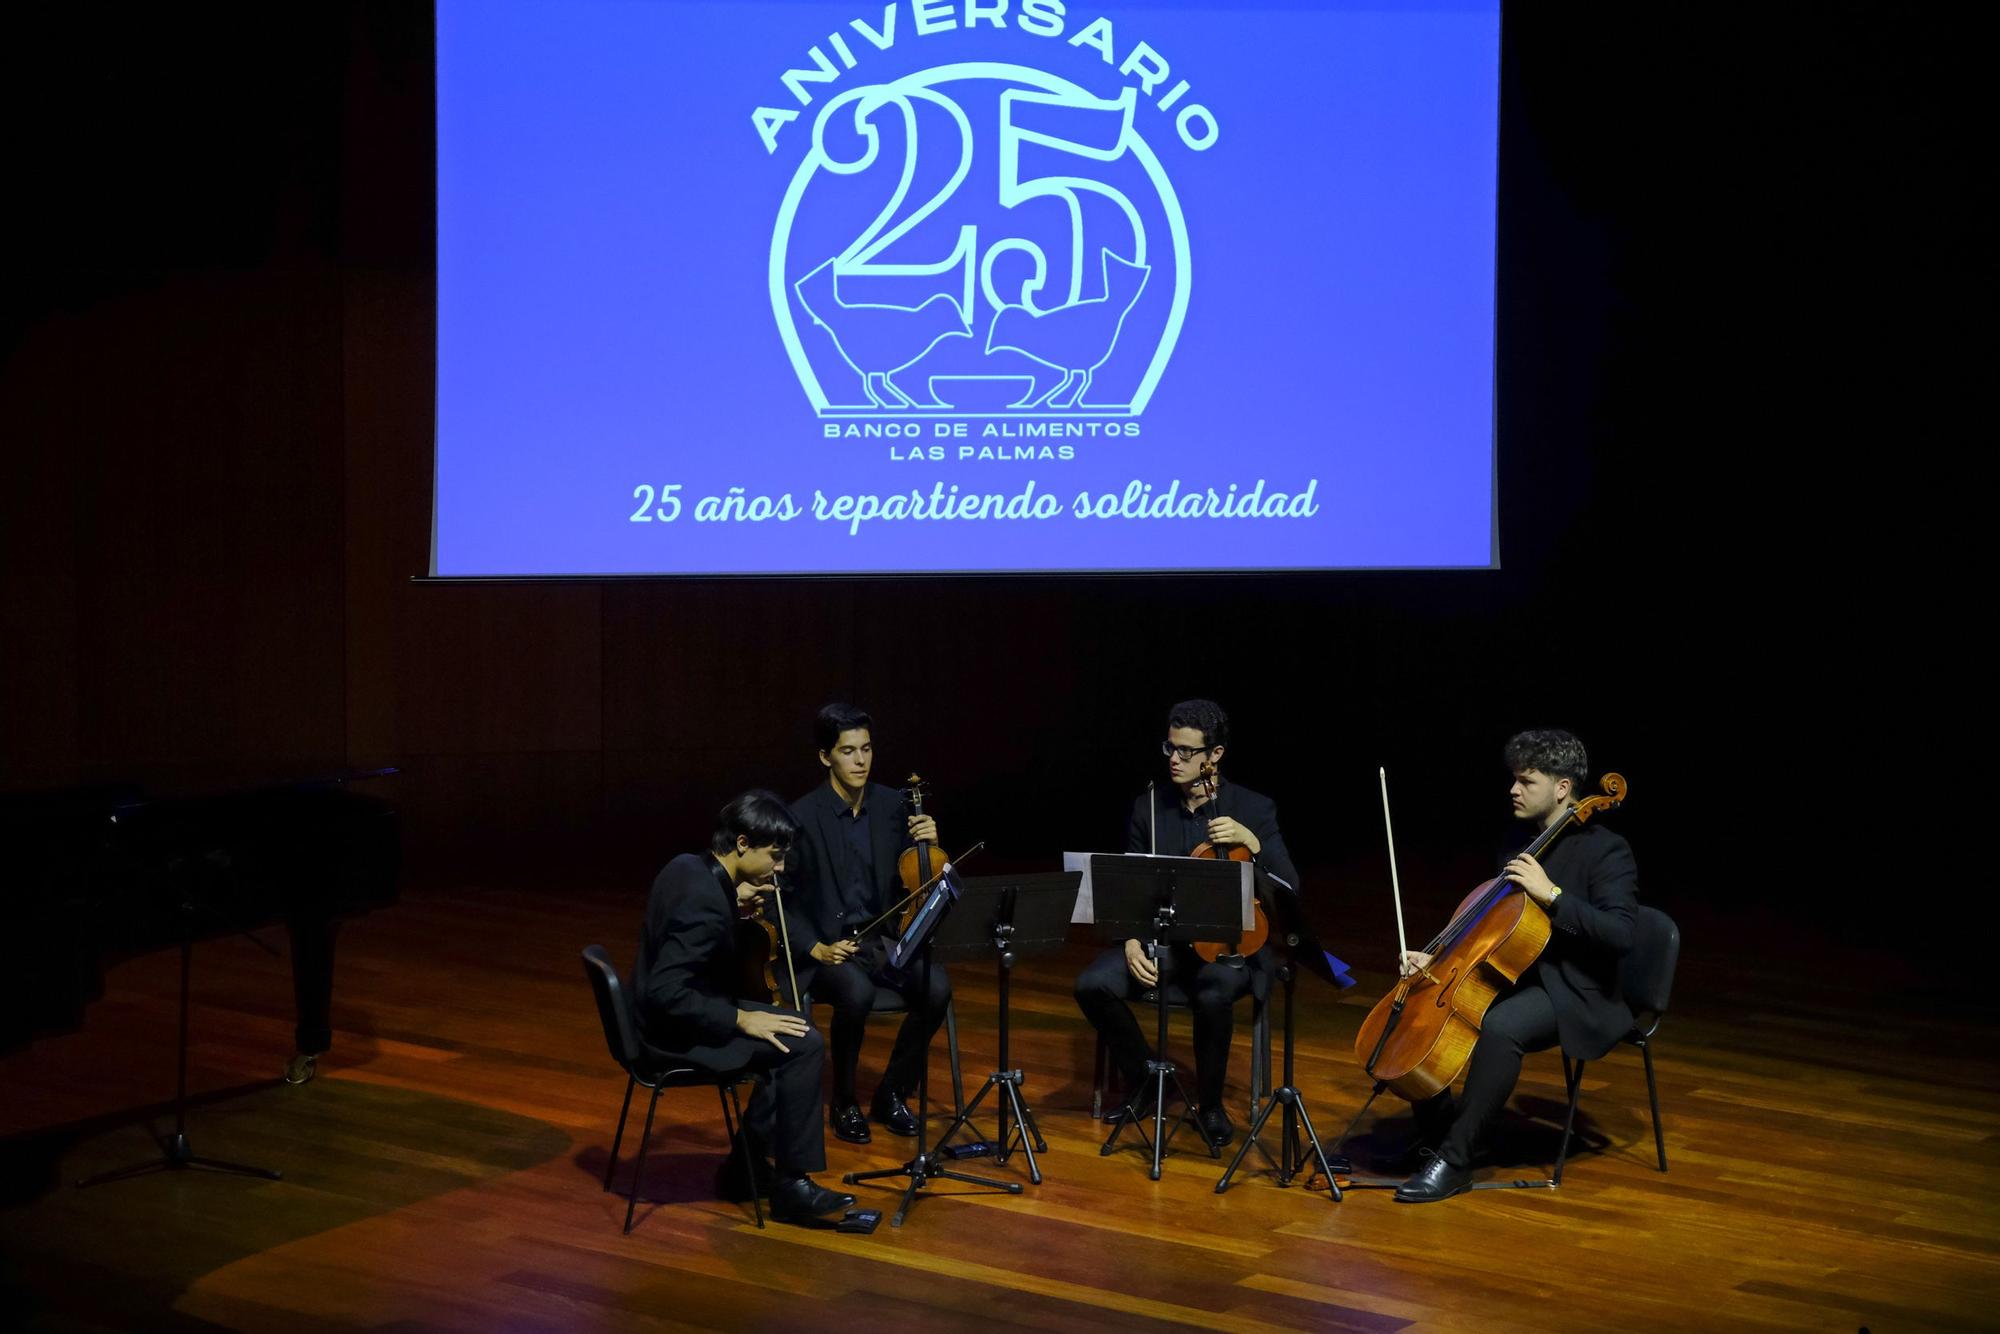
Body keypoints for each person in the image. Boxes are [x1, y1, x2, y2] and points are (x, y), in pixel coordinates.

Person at [1393, 728, 1638, 1203]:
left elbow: (1621, 935)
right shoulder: (1517, 840)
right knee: (1426, 1000)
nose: (1513, 789)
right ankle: (1442, 1132)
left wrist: (1553, 896)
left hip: (1576, 987)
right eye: (1514, 779)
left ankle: (1456, 1161)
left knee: (1501, 1026)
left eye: (1527, 781)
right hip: (1516, 970)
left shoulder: (1606, 850)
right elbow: (1490, 920)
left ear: (1563, 787)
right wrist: (1438, 956)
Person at [1073, 698, 1301, 1148]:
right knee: (1092, 984)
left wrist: (1252, 843)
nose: (1174, 759)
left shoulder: (1254, 809)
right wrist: (1132, 938)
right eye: (1170, 748)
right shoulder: (1150, 807)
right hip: (1168, 944)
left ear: (1214, 755)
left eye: (1186, 751)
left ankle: (1210, 1104)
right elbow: (1130, 884)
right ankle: (1145, 1080)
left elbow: (1289, 889)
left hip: (1232, 949)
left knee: (1213, 992)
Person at [634, 790, 854, 1224]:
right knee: (804, 1042)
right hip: (670, 1034)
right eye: (774, 856)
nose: (780, 868)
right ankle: (791, 1187)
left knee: (791, 1028)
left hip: (668, 1015)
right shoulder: (705, 904)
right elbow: (666, 991)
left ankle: (745, 1168)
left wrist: (732, 911)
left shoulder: (687, 866)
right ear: (741, 844)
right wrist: (740, 1018)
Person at [781, 704, 954, 1144]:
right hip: (829, 948)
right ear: (826, 758)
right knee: (855, 994)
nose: (860, 761)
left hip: (878, 941)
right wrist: (814, 948)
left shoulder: (892, 805)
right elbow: (780, 900)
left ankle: (891, 1092)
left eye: (867, 749)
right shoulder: (801, 816)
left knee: (936, 988)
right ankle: (843, 1100)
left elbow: (915, 877)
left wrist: (930, 845)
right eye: (847, 752)